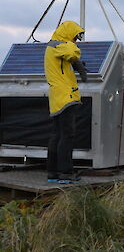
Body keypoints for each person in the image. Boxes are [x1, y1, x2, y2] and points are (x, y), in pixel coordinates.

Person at [44, 20, 87, 183]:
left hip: (56, 97)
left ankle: (53, 172)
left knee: (57, 134)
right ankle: (66, 172)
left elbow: (68, 59)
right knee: (67, 135)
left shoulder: (53, 48)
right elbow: (73, 53)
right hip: (65, 96)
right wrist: (77, 62)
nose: (76, 40)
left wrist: (77, 67)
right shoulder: (58, 46)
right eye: (75, 36)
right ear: (68, 34)